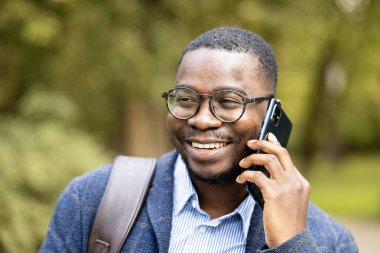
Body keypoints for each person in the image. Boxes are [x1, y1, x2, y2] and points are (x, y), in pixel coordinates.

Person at [40, 27, 358, 252]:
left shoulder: (328, 242)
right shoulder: (93, 201)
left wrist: (290, 245)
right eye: (186, 98)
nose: (201, 119)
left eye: (229, 102)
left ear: (271, 114)